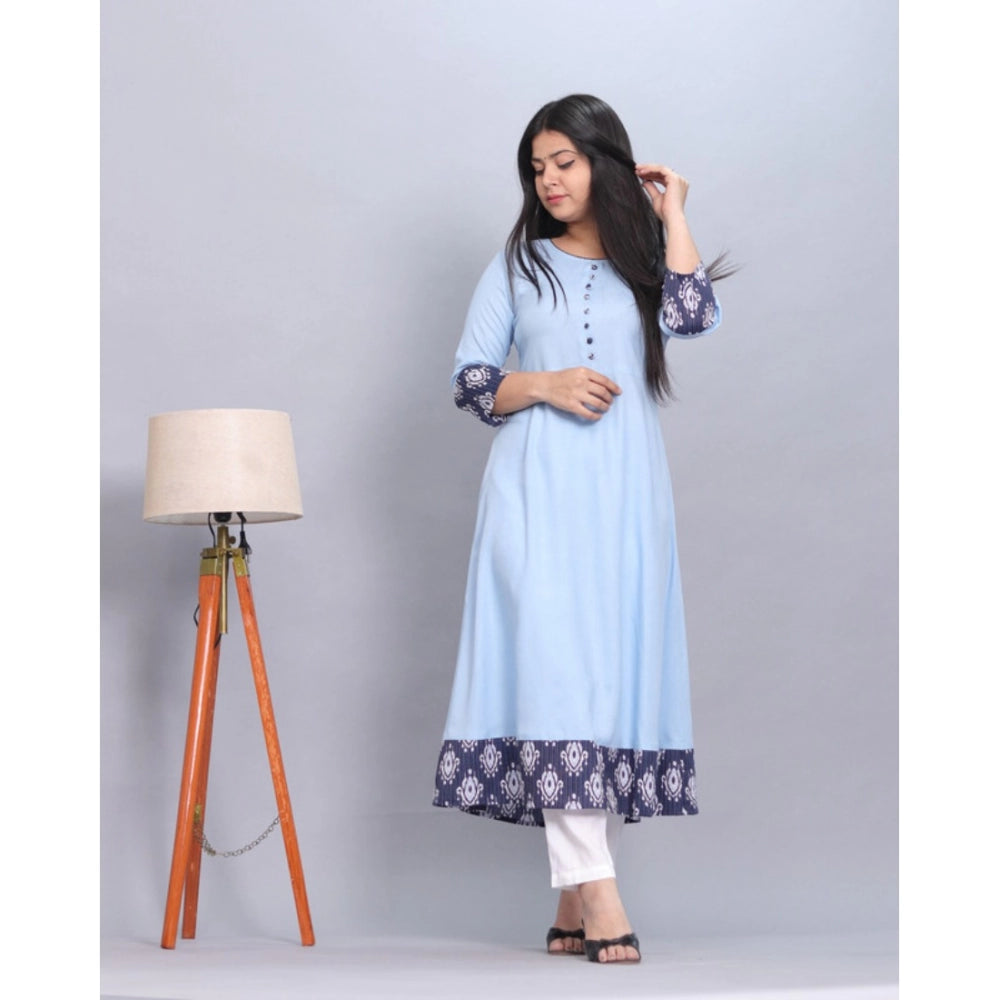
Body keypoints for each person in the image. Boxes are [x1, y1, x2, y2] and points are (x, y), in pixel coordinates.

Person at [433, 94, 730, 965]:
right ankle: (599, 892)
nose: (549, 180)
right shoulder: (519, 265)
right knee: (557, 676)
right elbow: (470, 380)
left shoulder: (645, 266)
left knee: (605, 687)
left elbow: (692, 317)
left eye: (563, 161)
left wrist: (674, 213)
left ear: (603, 161)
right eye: (537, 168)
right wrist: (547, 383)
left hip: (627, 501)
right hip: (535, 494)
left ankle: (570, 900)